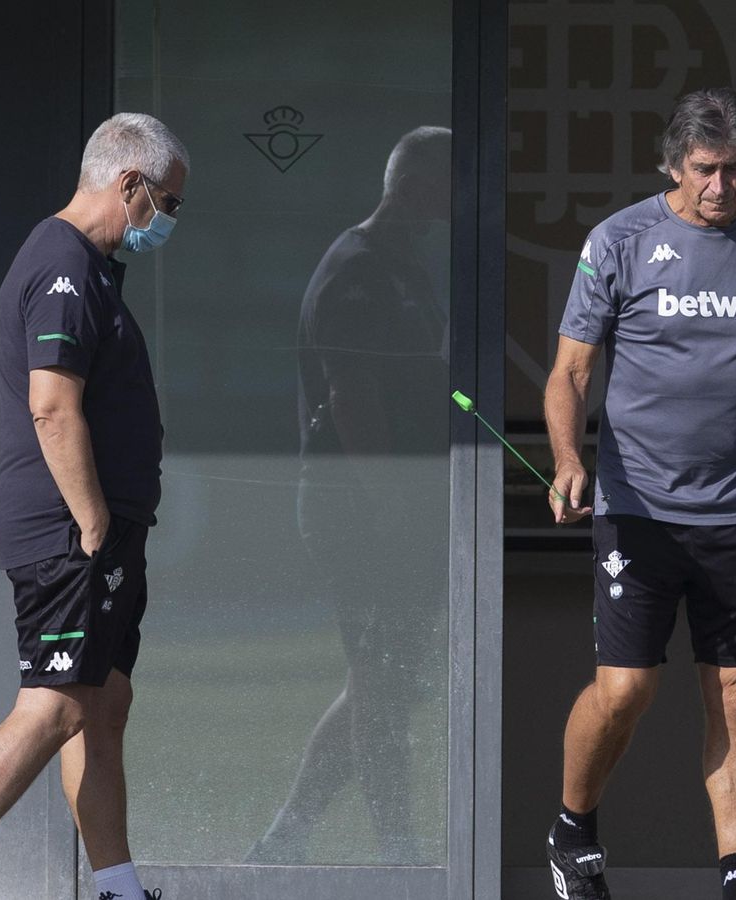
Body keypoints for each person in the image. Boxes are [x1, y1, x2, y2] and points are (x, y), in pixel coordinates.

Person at [541, 88, 736, 900]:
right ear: (673, 165)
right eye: (706, 170)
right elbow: (571, 372)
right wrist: (569, 458)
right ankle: (573, 826)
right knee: (626, 689)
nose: (722, 186)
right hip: (638, 510)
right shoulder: (621, 240)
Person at [0, 112, 187, 900]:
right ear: (130, 185)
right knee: (55, 705)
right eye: (169, 203)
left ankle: (118, 889)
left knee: (104, 702)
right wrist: (90, 522)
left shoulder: (87, 266)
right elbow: (52, 405)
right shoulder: (64, 264)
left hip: (102, 532)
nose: (170, 221)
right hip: (69, 531)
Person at [249, 126, 451, 865]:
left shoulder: (407, 265)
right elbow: (351, 393)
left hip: (400, 508)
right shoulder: (359, 268)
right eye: (451, 180)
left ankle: (285, 838)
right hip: (362, 512)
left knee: (382, 684)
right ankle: (398, 853)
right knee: (381, 687)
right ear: (418, 185)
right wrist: (390, 498)